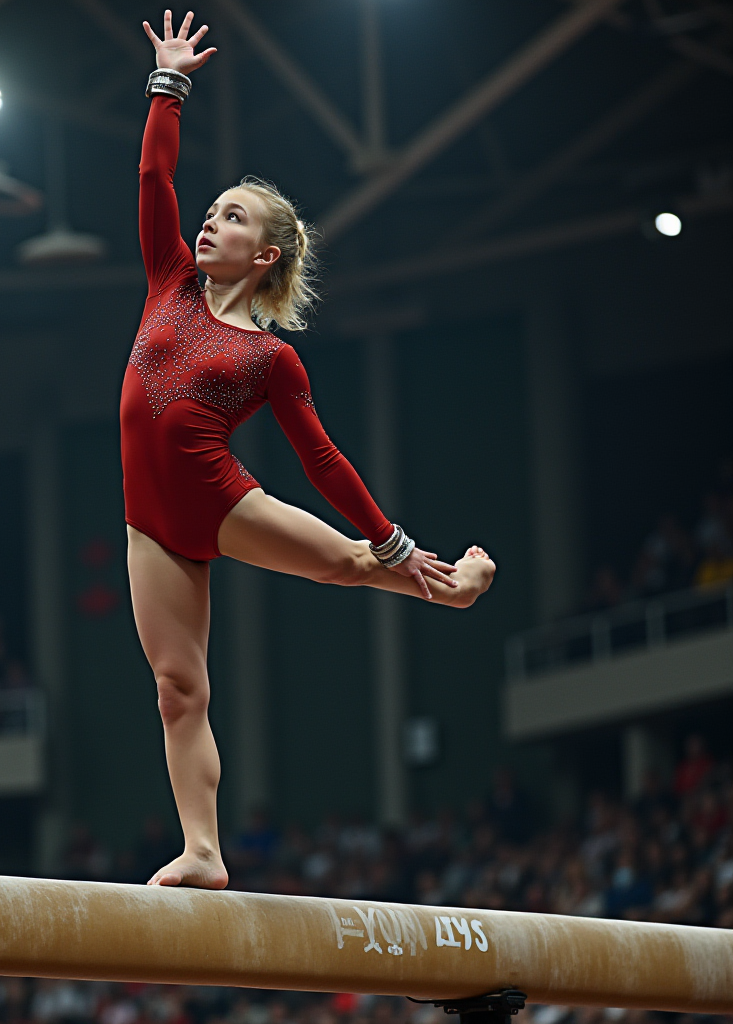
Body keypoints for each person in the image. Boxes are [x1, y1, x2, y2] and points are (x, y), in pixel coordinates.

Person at [125, 11, 496, 889]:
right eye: (211, 213)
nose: (209, 224)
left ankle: (441, 584)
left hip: (220, 501)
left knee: (347, 564)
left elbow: (324, 460)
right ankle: (205, 852)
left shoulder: (270, 356)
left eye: (232, 218)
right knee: (180, 691)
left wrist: (393, 538)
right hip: (148, 525)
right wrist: (168, 84)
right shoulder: (168, 280)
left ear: (269, 252)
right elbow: (153, 172)